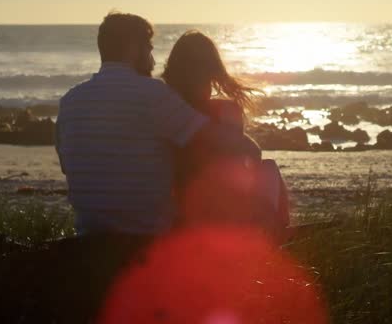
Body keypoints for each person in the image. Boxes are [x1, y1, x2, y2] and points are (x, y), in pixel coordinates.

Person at [56, 12, 261, 238]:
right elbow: (225, 142)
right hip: (147, 237)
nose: (153, 60)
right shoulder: (152, 95)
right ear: (135, 48)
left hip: (89, 237)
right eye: (150, 49)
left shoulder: (70, 101)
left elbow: (67, 166)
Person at [162, 30, 290, 239]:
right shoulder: (225, 111)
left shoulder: (164, 110)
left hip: (178, 211)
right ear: (211, 73)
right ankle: (276, 231)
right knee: (268, 168)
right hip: (221, 213)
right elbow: (249, 156)